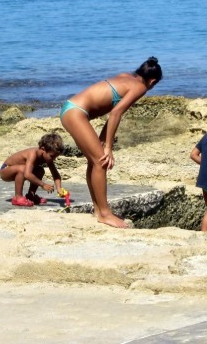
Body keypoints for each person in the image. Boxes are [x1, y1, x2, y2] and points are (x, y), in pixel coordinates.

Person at [60, 57, 163, 228]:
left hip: (71, 108)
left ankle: (98, 210)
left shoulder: (126, 77)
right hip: (76, 113)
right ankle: (105, 214)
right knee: (101, 161)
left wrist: (103, 139)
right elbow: (116, 113)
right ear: (152, 81)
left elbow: (112, 112)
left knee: (95, 162)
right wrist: (108, 147)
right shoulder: (140, 87)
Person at [0, 133, 65, 207]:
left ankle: (31, 196)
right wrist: (43, 185)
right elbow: (27, 174)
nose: (53, 159)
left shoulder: (48, 157)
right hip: (5, 170)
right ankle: (18, 197)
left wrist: (59, 188)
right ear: (43, 149)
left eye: (55, 157)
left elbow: (55, 174)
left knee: (40, 170)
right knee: (23, 169)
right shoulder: (33, 154)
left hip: (20, 170)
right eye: (52, 156)